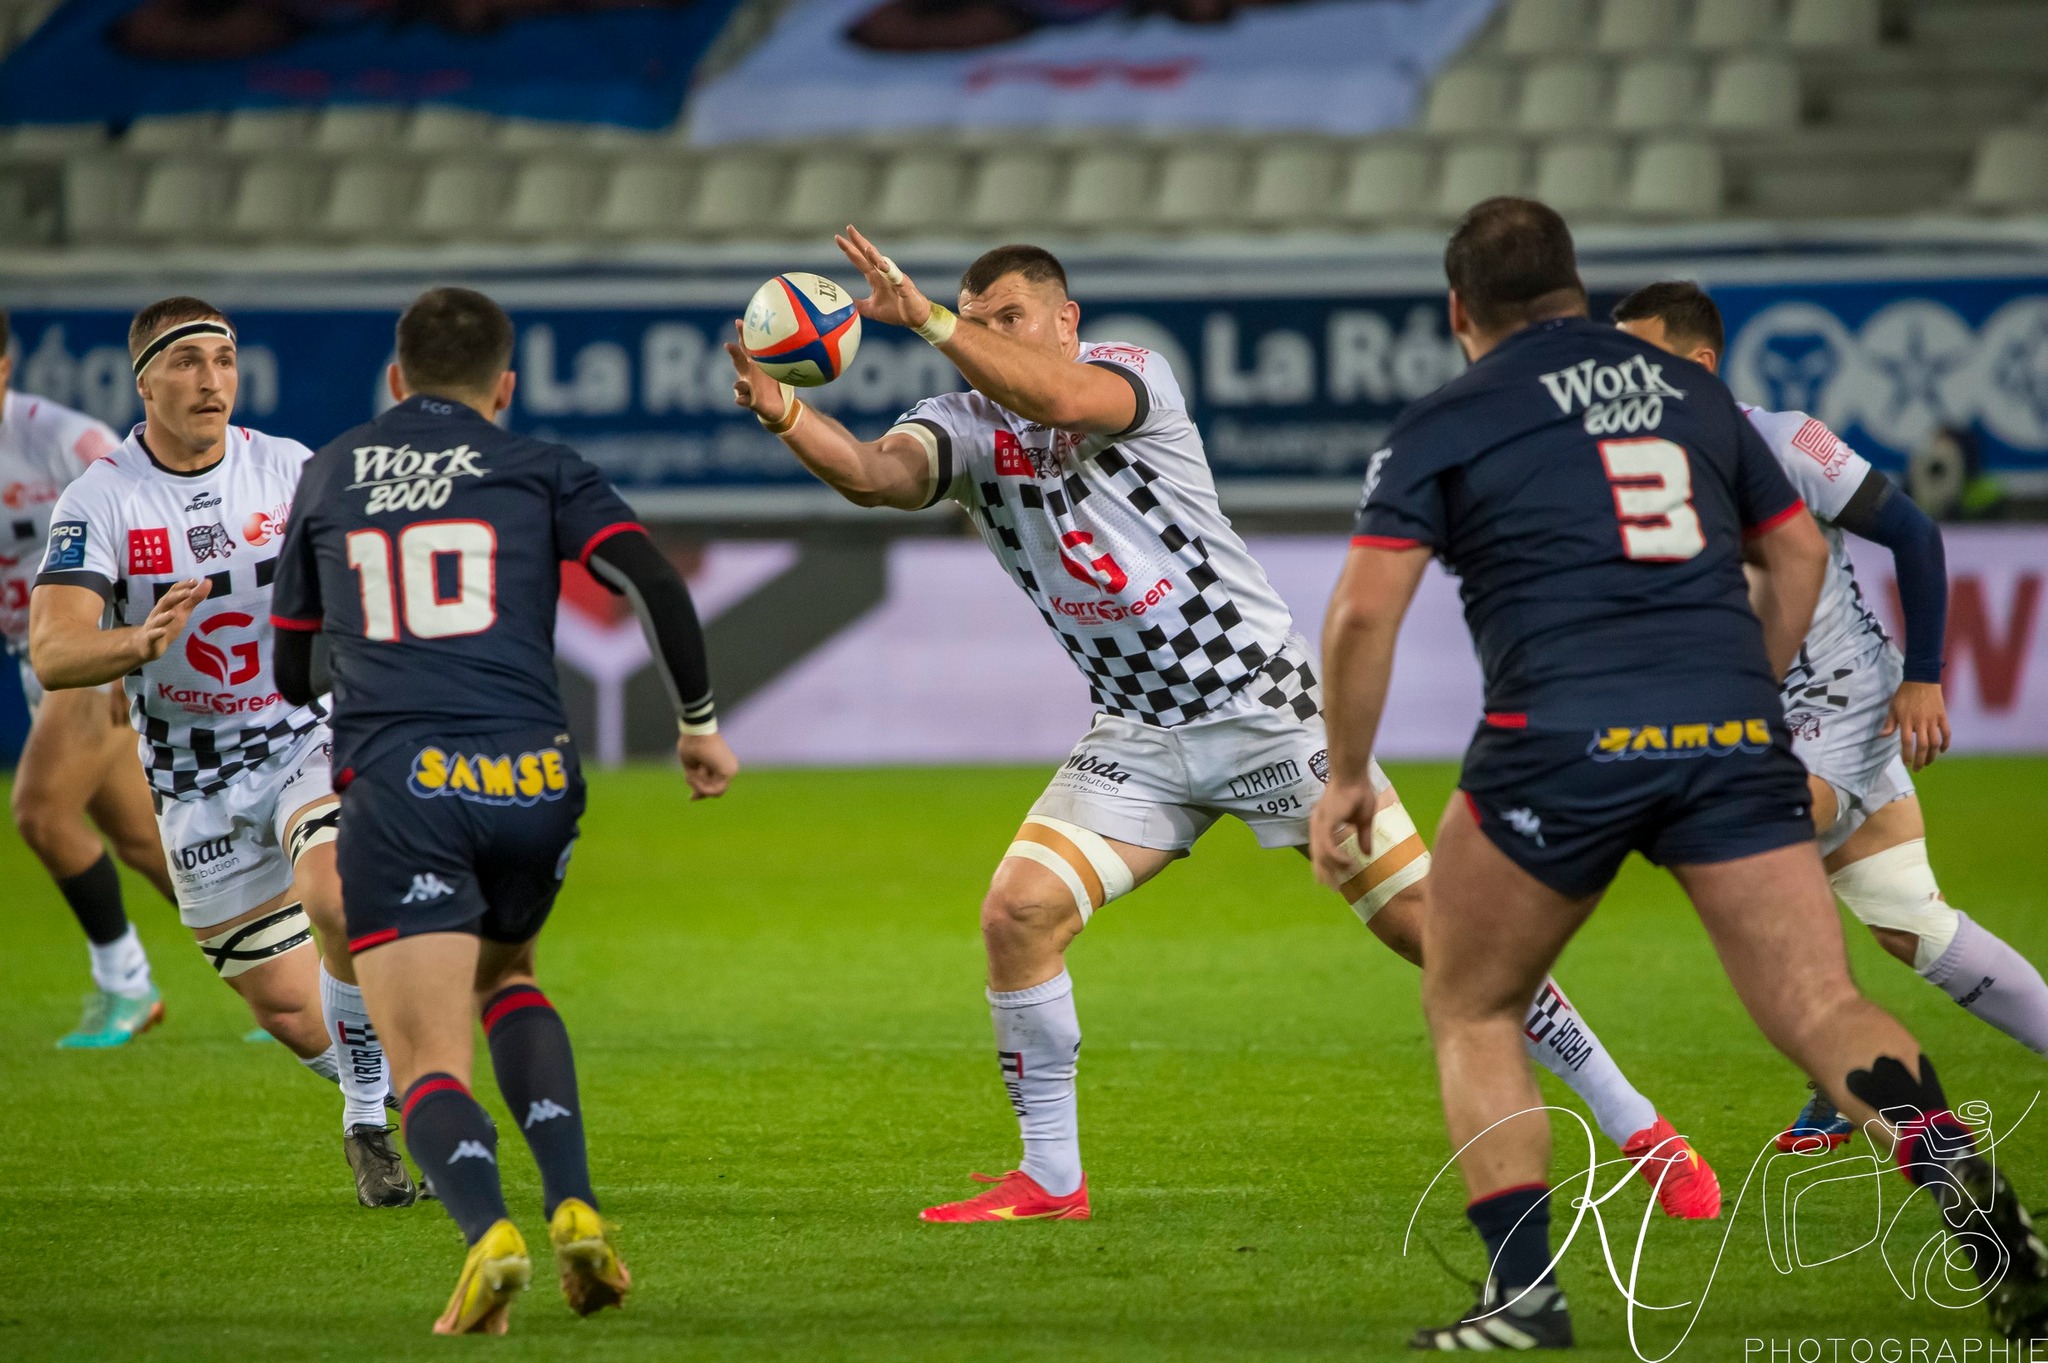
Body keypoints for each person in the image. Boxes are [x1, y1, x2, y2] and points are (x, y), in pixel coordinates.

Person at [724, 228, 1721, 1228]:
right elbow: (874, 471)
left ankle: (1639, 1126)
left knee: (1446, 938)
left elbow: (1059, 400)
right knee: (1015, 915)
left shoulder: (1127, 375)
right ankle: (1050, 1179)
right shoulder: (962, 421)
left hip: (1268, 712)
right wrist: (785, 415)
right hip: (1136, 736)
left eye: (1008, 319)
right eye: (976, 321)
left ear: (1065, 322)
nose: (988, 338)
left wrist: (936, 319)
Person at [1312, 196, 2048, 1350]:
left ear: (1459, 311)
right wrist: (1746, 689)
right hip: (1724, 735)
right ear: (1574, 290)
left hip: (1557, 738)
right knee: (1820, 1003)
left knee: (1471, 998)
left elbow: (1362, 613)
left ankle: (1522, 1299)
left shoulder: (1447, 419)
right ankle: (1992, 1230)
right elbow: (1798, 548)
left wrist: (1347, 776)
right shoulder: (1696, 398)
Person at [270, 286, 738, 1335]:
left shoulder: (330, 468)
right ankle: (575, 1203)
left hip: (405, 784)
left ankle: (488, 1232)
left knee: (428, 1055)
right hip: (533, 776)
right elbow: (653, 581)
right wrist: (698, 723)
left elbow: (292, 667)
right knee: (510, 973)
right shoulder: (540, 466)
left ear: (396, 378)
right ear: (504, 386)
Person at [1614, 281, 2048, 1152]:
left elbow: (1917, 534)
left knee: (1742, 844)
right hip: (1770, 716)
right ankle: (1836, 1064)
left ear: (1697, 366)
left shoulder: (1784, 438)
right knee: (1911, 922)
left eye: (1641, 359)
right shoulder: (1637, 470)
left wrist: (1922, 678)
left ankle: (1837, 1061)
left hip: (1841, 702)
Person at [28, 297, 412, 1208]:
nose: (212, 381)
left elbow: (368, 575)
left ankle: (371, 1122)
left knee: (337, 897)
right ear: (145, 380)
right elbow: (53, 648)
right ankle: (401, 1082)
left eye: (225, 361)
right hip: (191, 776)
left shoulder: (284, 468)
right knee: (284, 1005)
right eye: (190, 362)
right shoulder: (105, 497)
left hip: (300, 732)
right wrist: (133, 645)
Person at [3, 305, 178, 1047]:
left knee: (41, 813)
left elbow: (147, 519)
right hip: (33, 660)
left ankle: (126, 985)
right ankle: (308, 953)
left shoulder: (62, 440)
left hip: (93, 657)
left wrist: (117, 655)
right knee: (145, 842)